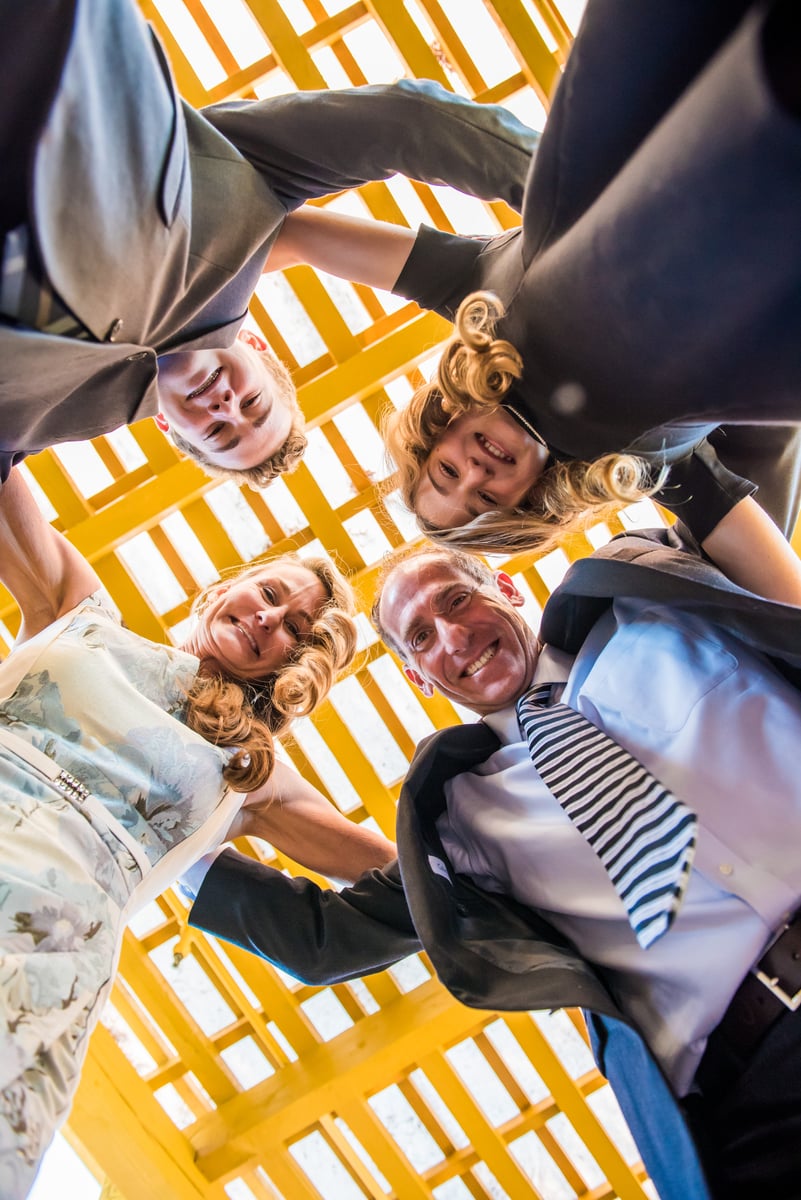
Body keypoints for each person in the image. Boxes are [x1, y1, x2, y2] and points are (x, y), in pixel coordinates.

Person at [188, 536, 801, 1199]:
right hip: (759, 1090)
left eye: (457, 600)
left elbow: (746, 505)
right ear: (418, 679)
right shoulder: (461, 819)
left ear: (506, 588)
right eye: (421, 637)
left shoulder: (654, 610)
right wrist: (174, 836)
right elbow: (327, 940)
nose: (453, 636)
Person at [270, 0, 801, 601]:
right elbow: (783, 599)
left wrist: (204, 323)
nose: (475, 472)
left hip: (670, 99)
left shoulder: (473, 300)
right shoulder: (643, 467)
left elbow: (297, 237)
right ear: (526, 502)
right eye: (484, 499)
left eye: (447, 471)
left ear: (439, 429)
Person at [0, 467, 396, 1198]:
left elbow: (410, 881)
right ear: (220, 589)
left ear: (293, 667)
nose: (269, 620)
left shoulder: (252, 775)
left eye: (295, 631)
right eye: (269, 594)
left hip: (49, 938)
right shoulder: (78, 612)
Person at [0, 0, 538, 488]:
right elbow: (404, 124)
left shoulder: (39, 425)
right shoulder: (252, 207)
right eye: (255, 403)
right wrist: (560, 195)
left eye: (218, 432)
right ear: (258, 348)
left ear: (167, 425)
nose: (227, 407)